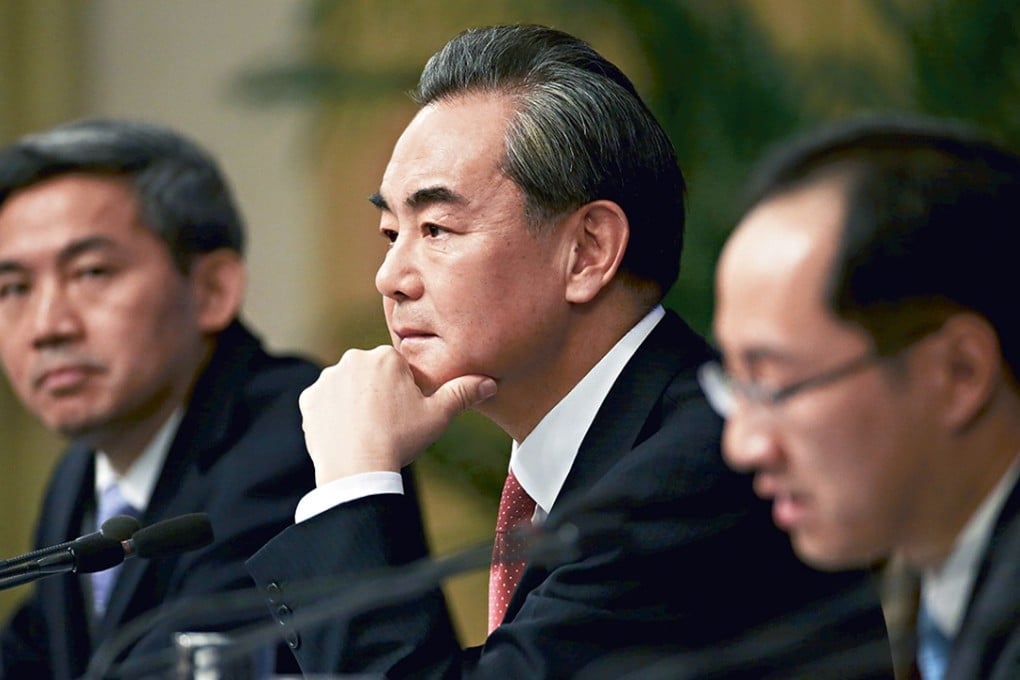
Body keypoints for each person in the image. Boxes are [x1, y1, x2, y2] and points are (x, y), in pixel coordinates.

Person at [247, 25, 893, 679]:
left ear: (587, 251)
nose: (391, 277)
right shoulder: (626, 453)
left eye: (436, 228)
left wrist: (355, 485)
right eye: (392, 232)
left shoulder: (699, 469)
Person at [0, 118, 324, 679]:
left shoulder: (297, 437)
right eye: (13, 288)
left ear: (212, 290)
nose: (46, 326)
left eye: (91, 272)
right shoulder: (81, 477)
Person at [708, 115, 1020, 679]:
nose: (743, 444)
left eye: (774, 385)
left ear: (959, 373)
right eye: (735, 385)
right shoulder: (926, 581)